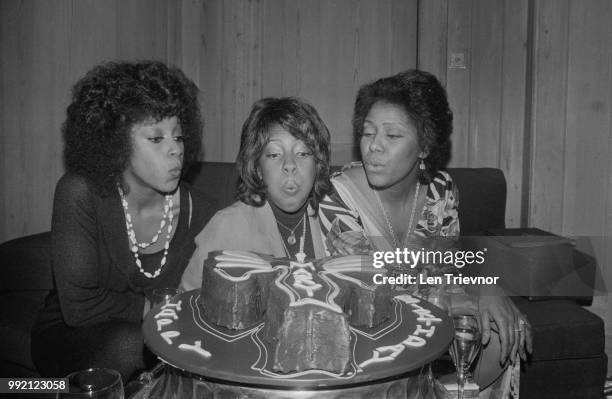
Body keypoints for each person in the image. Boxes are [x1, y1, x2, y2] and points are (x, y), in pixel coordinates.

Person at [331, 69, 533, 394]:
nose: (373, 148)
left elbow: (448, 266)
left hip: (428, 319)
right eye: (368, 133)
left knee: (505, 326)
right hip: (365, 329)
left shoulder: (442, 190)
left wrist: (486, 287)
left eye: (392, 136)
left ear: (424, 145)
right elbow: (369, 290)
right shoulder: (335, 195)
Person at [31, 60, 217, 382]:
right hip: (71, 334)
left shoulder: (202, 211)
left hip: (158, 336)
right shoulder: (80, 193)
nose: (175, 150)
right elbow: (79, 307)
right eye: (156, 139)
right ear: (115, 142)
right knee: (135, 343)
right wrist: (160, 311)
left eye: (179, 137)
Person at [180, 96, 360, 292]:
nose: (290, 165)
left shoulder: (337, 217)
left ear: (317, 165)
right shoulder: (226, 227)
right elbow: (188, 304)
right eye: (274, 154)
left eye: (303, 153)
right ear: (257, 167)